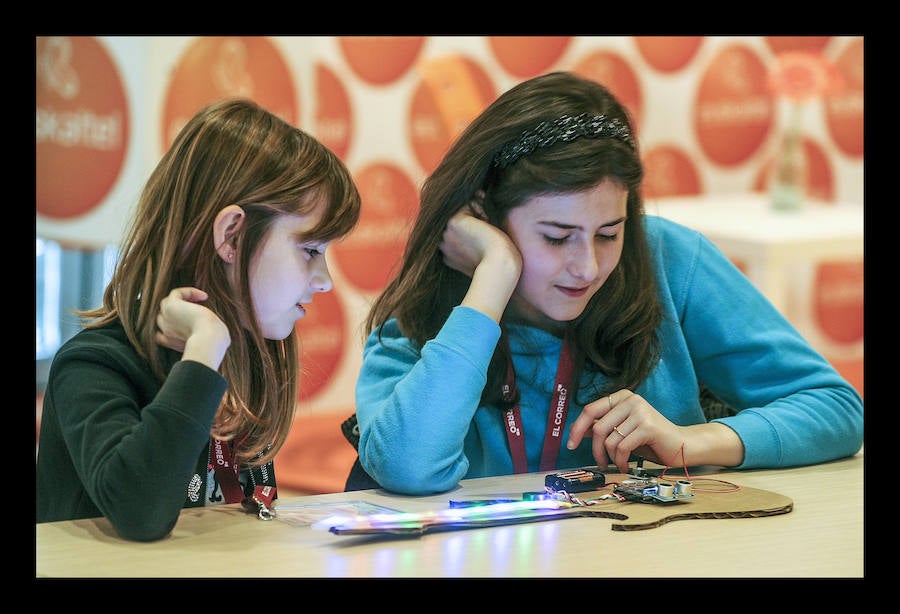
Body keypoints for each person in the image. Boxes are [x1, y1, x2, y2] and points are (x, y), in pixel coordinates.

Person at [351, 71, 864, 495]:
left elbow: (836, 408)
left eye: (608, 233)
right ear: (486, 217)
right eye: (556, 237)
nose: (588, 267)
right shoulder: (431, 313)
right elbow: (406, 467)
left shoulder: (665, 256)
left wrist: (690, 441)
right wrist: (493, 278)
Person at [36, 98, 361, 541]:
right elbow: (142, 512)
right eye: (310, 251)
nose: (323, 280)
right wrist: (205, 345)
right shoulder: (93, 364)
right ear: (231, 235)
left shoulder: (245, 359)